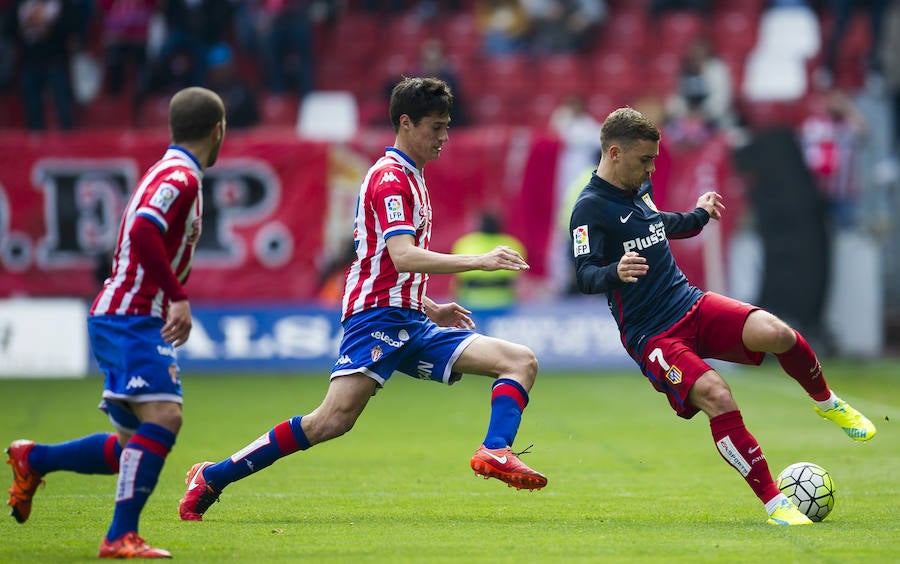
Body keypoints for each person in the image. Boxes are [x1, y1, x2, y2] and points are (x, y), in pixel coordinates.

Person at [177, 77, 547, 524]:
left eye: (448, 127)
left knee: (519, 360)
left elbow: (380, 261)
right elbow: (403, 255)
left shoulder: (412, 176)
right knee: (330, 421)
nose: (444, 137)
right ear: (406, 123)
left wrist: (430, 305)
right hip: (376, 319)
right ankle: (212, 476)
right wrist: (481, 261)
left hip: (411, 317)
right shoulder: (391, 180)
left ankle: (495, 450)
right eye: (436, 127)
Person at [568, 107, 876, 526]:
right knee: (718, 395)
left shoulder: (638, 185)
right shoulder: (589, 209)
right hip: (653, 335)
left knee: (778, 332)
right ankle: (775, 503)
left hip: (688, 302)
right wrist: (614, 272)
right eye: (645, 160)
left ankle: (827, 402)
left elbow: (658, 225)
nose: (652, 167)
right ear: (615, 152)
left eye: (654, 159)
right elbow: (584, 275)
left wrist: (698, 215)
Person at [6, 86, 227, 558]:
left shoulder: (170, 170)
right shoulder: (181, 177)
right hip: (133, 314)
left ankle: (34, 459)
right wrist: (176, 296)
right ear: (218, 130)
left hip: (121, 310)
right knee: (165, 416)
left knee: (131, 444)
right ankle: (118, 536)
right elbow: (145, 228)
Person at [451, 213, 526, 309]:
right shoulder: (512, 244)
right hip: (504, 301)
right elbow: (518, 281)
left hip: (471, 301)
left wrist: (454, 300)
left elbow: (457, 280)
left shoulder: (465, 243)